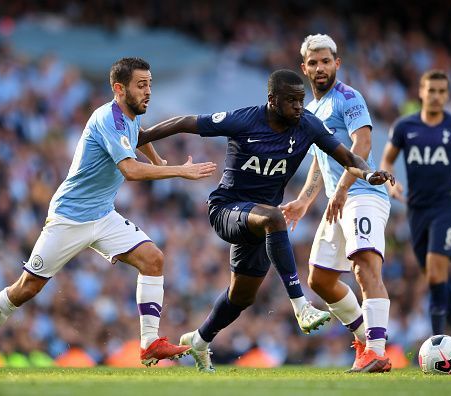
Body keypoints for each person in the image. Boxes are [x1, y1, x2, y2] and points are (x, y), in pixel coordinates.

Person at [0, 57, 218, 372]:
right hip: (69, 217)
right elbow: (129, 170)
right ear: (119, 89)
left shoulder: (130, 117)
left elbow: (140, 136)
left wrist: (159, 161)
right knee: (26, 288)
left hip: (103, 215)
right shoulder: (107, 118)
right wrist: (178, 172)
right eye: (141, 85)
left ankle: (149, 343)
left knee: (153, 259)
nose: (148, 92)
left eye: (150, 85)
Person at [137, 69, 394, 373]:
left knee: (241, 296)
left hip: (259, 221)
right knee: (275, 216)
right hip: (227, 209)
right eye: (292, 101)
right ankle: (301, 306)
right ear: (272, 100)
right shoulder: (244, 120)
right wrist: (141, 137)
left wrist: (367, 174)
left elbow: (347, 157)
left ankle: (200, 340)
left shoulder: (307, 125)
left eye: (301, 100)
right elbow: (185, 122)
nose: (299, 107)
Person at [280, 34, 393, 373]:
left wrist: (344, 186)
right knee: (320, 280)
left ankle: (376, 350)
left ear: (336, 64)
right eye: (313, 63)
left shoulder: (349, 98)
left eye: (325, 61)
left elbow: (363, 142)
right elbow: (318, 160)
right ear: (304, 68)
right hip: (337, 200)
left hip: (363, 196)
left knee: (364, 267)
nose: (319, 68)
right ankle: (364, 341)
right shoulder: (310, 110)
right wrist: (302, 200)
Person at [379, 69, 451, 362]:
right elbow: (387, 159)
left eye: (442, 91)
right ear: (421, 92)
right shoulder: (404, 127)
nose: (437, 96)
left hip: (447, 207)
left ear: (447, 95)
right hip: (417, 209)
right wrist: (391, 182)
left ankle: (437, 346)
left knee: (437, 272)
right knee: (434, 278)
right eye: (432, 90)